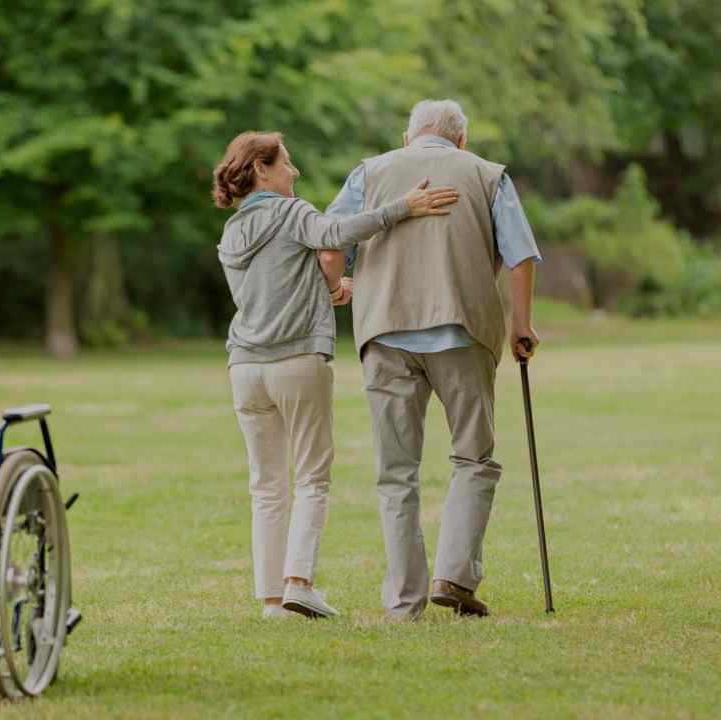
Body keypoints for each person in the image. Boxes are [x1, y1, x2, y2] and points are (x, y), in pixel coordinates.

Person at [213, 130, 459, 619]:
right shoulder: (292, 212)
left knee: (265, 485)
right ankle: (299, 582)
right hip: (297, 361)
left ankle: (270, 599)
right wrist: (402, 208)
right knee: (311, 478)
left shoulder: (232, 232)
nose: (295, 171)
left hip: (244, 366)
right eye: (286, 162)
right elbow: (338, 235)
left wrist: (326, 292)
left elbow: (273, 290)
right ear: (261, 169)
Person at [327, 99, 541, 620]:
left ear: (408, 138)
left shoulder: (370, 171)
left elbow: (330, 244)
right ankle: (454, 576)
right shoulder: (488, 175)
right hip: (463, 333)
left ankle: (403, 603)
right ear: (460, 141)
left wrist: (339, 286)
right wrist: (521, 326)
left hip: (385, 334)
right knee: (473, 458)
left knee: (396, 472)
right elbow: (520, 256)